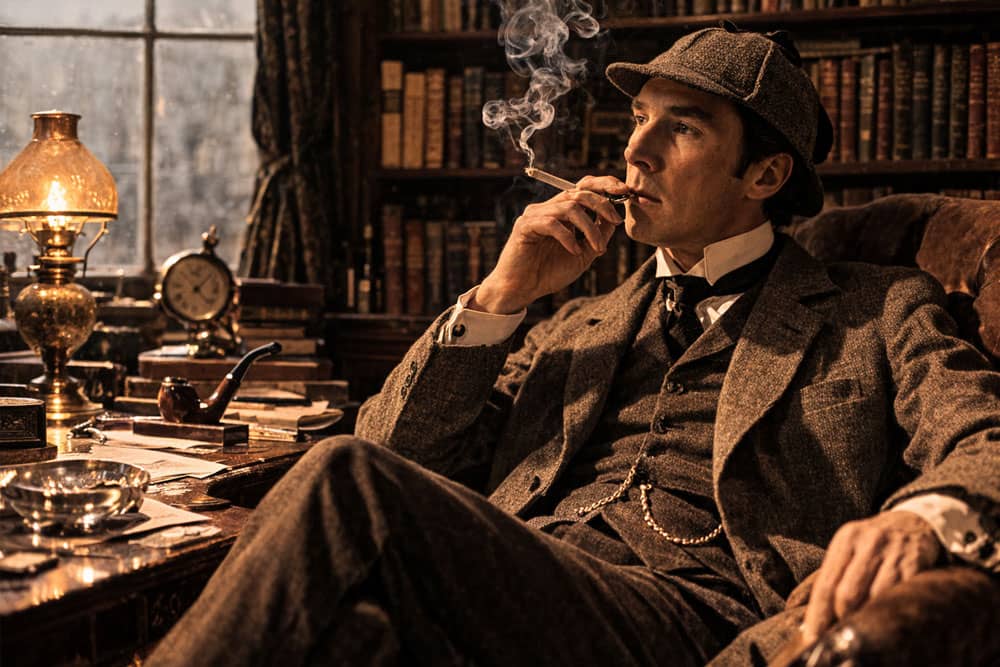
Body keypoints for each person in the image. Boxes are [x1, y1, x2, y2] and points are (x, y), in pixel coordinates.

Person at [148, 25, 999, 666]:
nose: (635, 150)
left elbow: (984, 436)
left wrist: (923, 518)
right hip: (531, 586)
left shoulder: (877, 307)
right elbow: (396, 449)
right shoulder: (574, 319)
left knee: (344, 477)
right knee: (353, 631)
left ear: (765, 175)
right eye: (639, 119)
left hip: (693, 614)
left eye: (682, 128)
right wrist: (501, 295)